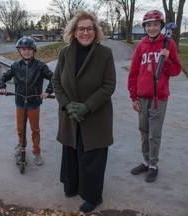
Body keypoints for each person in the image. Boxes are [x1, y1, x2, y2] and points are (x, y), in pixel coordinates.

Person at [52, 10, 116, 213]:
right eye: (81, 29)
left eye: (89, 28)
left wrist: (87, 106)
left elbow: (109, 85)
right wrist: (67, 104)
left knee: (92, 158)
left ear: (96, 31)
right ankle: (72, 186)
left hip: (96, 116)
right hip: (70, 116)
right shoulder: (65, 52)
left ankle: (93, 196)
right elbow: (55, 81)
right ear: (74, 31)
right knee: (71, 152)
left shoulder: (105, 53)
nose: (85, 32)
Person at [127, 10, 182, 182]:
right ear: (144, 27)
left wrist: (166, 60)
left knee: (154, 134)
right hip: (142, 97)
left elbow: (176, 71)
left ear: (161, 27)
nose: (152, 28)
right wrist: (133, 97)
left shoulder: (168, 44)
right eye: (149, 25)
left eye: (155, 25)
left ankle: (153, 165)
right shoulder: (141, 46)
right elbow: (133, 73)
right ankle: (145, 161)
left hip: (159, 98)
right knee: (144, 131)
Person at [0, 37, 53, 166]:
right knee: (20, 128)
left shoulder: (40, 66)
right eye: (23, 49)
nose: (26, 52)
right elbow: (4, 77)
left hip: (34, 102)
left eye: (29, 49)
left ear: (34, 50)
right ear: (20, 51)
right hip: (20, 101)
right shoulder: (16, 65)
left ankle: (37, 152)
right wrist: (2, 87)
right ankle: (21, 145)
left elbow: (54, 78)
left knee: (35, 129)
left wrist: (47, 91)